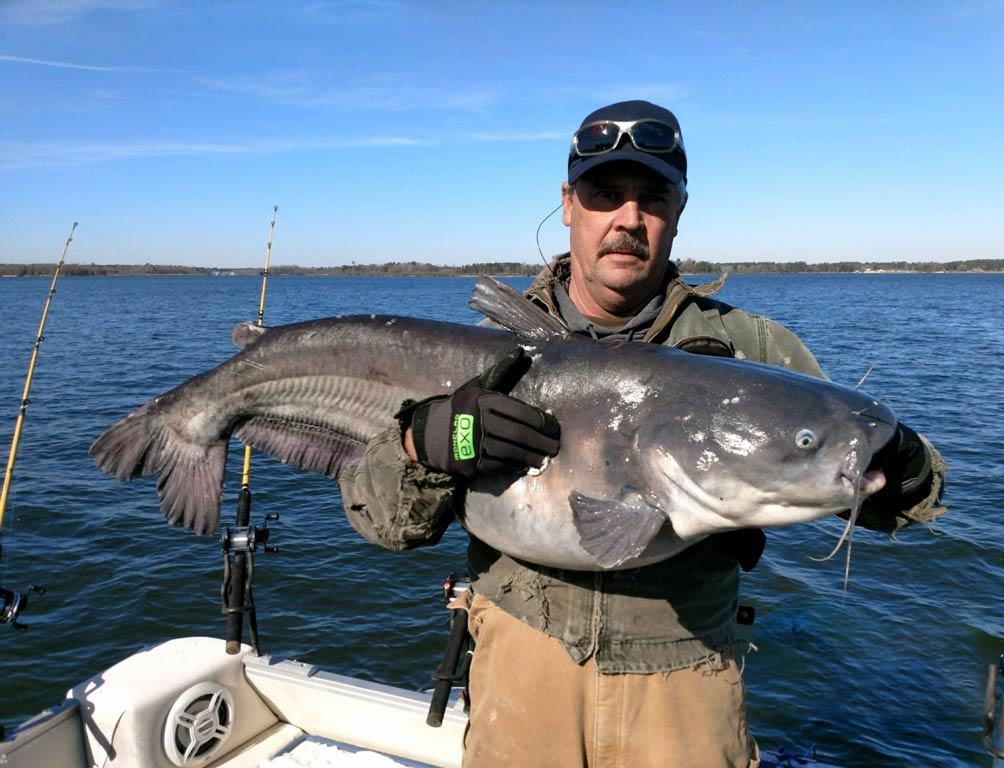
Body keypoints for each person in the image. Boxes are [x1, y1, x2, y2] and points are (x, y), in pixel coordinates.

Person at [340, 100, 946, 768]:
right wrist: (422, 445)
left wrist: (904, 459)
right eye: (606, 194)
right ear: (569, 203)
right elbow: (384, 524)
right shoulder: (485, 354)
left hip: (684, 686)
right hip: (520, 676)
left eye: (652, 197)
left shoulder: (753, 350)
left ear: (679, 210)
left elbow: (904, 492)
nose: (628, 219)